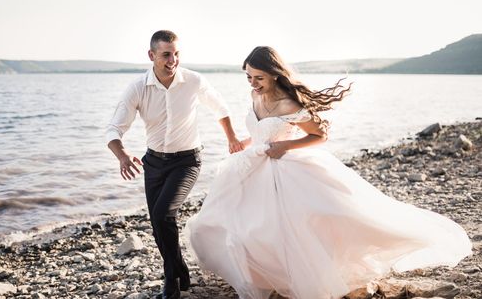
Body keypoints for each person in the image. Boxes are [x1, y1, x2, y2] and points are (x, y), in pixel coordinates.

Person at [185, 46, 472, 299]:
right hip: (253, 164)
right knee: (241, 223)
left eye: (258, 77)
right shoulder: (254, 94)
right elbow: (260, 129)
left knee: (292, 225)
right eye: (248, 77)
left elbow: (319, 137)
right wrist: (244, 142)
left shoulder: (289, 102)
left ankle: (296, 275)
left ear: (273, 74)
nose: (253, 83)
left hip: (283, 167)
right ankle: (263, 276)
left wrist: (286, 145)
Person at [106, 30, 243, 299]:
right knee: (159, 225)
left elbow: (220, 108)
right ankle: (181, 271)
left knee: (162, 215)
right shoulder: (137, 88)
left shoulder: (192, 81)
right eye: (166, 54)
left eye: (177, 53)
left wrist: (232, 139)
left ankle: (171, 282)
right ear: (151, 55)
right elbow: (113, 129)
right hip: (153, 163)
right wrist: (122, 155)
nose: (173, 60)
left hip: (187, 161)